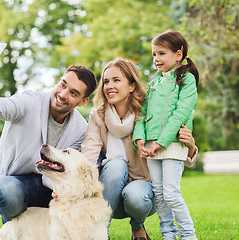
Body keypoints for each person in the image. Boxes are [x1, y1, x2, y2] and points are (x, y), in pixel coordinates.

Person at [0, 43, 97, 223]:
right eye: (63, 85)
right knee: (9, 192)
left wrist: (60, 188)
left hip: (50, 190)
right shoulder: (30, 101)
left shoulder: (80, 129)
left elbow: (68, 170)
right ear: (58, 81)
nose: (62, 94)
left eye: (73, 93)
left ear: (83, 101)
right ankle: (13, 230)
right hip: (13, 183)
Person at [81, 58, 198, 240]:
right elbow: (89, 153)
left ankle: (137, 226)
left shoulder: (148, 111)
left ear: (132, 86)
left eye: (116, 80)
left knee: (136, 195)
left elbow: (173, 148)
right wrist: (81, 184)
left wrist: (190, 146)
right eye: (106, 81)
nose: (109, 86)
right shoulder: (98, 115)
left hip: (142, 195)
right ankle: (99, 232)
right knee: (116, 165)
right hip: (108, 193)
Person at [133, 30, 199, 240]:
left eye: (161, 53)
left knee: (171, 193)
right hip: (152, 147)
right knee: (160, 196)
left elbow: (181, 112)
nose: (156, 59)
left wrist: (161, 142)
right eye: (154, 54)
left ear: (178, 54)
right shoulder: (153, 84)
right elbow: (142, 114)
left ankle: (189, 236)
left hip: (172, 145)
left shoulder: (186, 80)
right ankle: (168, 235)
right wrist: (140, 139)